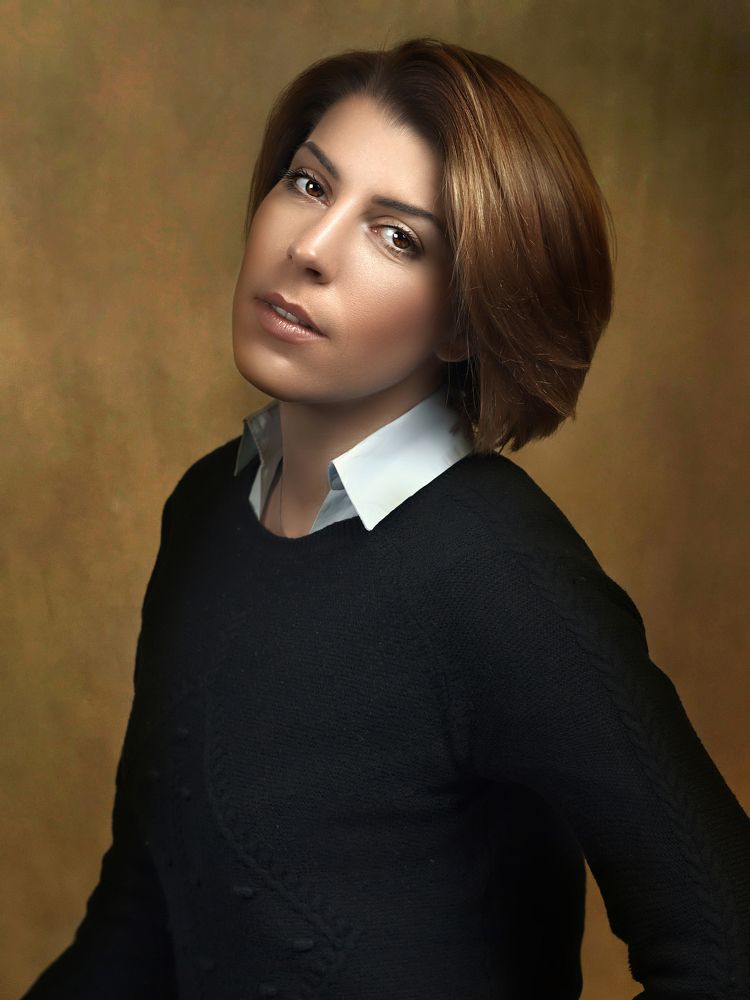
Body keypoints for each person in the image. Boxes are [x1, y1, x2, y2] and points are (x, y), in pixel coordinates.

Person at [20, 36, 750, 1000]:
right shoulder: (202, 512)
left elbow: (726, 945)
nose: (309, 249)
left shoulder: (498, 574)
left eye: (397, 236)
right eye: (310, 184)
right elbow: (146, 911)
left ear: (463, 319)